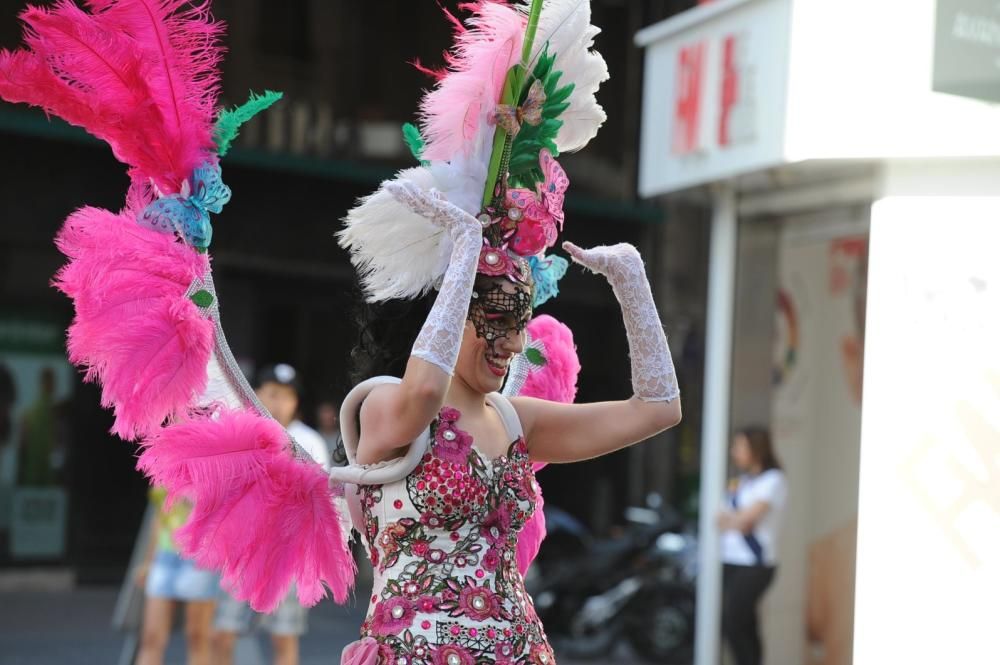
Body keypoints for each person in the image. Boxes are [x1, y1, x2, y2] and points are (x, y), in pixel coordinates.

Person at [330, 3, 680, 661]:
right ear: (448, 310)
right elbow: (426, 389)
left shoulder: (517, 420)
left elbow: (657, 409)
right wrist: (463, 254)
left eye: (518, 323)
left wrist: (632, 284)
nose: (512, 343)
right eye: (492, 321)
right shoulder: (386, 408)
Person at [213, 363, 330, 665]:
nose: (279, 402)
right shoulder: (241, 433)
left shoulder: (310, 441)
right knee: (224, 634)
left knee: (284, 637)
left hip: (288, 553)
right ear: (258, 394)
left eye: (287, 396)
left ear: (296, 402)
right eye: (272, 393)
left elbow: (320, 501)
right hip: (242, 551)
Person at [716, 427, 787, 665]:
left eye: (740, 447)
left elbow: (746, 520)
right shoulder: (743, 482)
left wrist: (735, 521)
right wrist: (736, 521)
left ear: (756, 449)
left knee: (734, 623)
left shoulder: (773, 480)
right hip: (731, 560)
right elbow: (723, 519)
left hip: (755, 564)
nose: (734, 452)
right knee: (745, 624)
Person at [135, 486, 219, 665]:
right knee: (151, 637)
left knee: (197, 637)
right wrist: (149, 561)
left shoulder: (217, 464)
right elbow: (159, 517)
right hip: (165, 557)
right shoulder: (166, 463)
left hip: (199, 558)